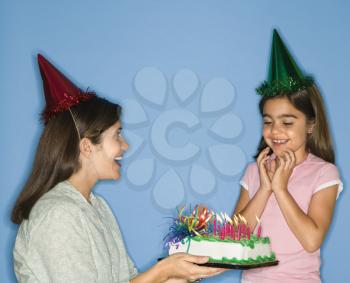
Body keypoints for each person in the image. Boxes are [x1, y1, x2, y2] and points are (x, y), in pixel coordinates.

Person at [12, 54, 225, 283]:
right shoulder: (57, 214)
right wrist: (163, 271)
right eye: (117, 135)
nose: (125, 145)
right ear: (87, 147)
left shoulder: (97, 206)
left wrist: (182, 269)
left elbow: (129, 279)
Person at [233, 30, 343, 283]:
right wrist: (264, 189)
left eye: (288, 122)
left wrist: (280, 190)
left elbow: (311, 239)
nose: (276, 131)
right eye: (269, 122)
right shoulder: (254, 171)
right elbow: (234, 238)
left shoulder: (324, 173)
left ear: (310, 125)